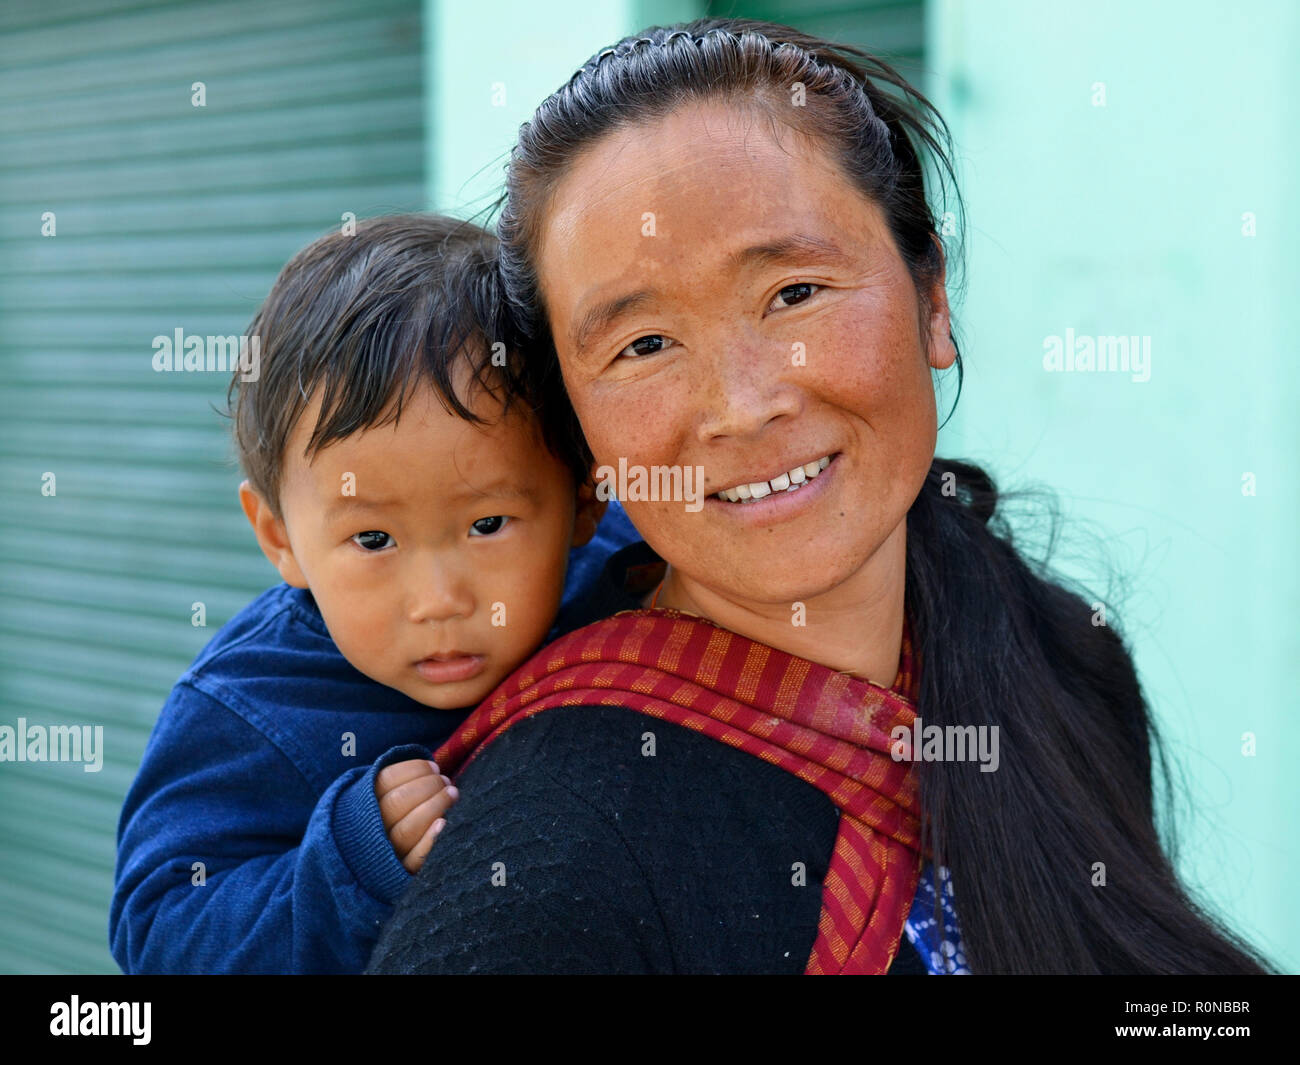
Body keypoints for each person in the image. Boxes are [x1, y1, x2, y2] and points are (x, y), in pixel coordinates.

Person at [367, 19, 1274, 975]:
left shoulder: (1059, 662)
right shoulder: (540, 872)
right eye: (642, 346)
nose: (744, 407)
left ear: (933, 298)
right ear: (580, 432)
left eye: (795, 292)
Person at [109, 215, 639, 974]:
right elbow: (159, 931)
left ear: (583, 500)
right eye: (373, 540)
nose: (437, 599)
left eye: (488, 523)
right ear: (280, 536)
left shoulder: (631, 570)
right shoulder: (252, 706)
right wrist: (349, 862)